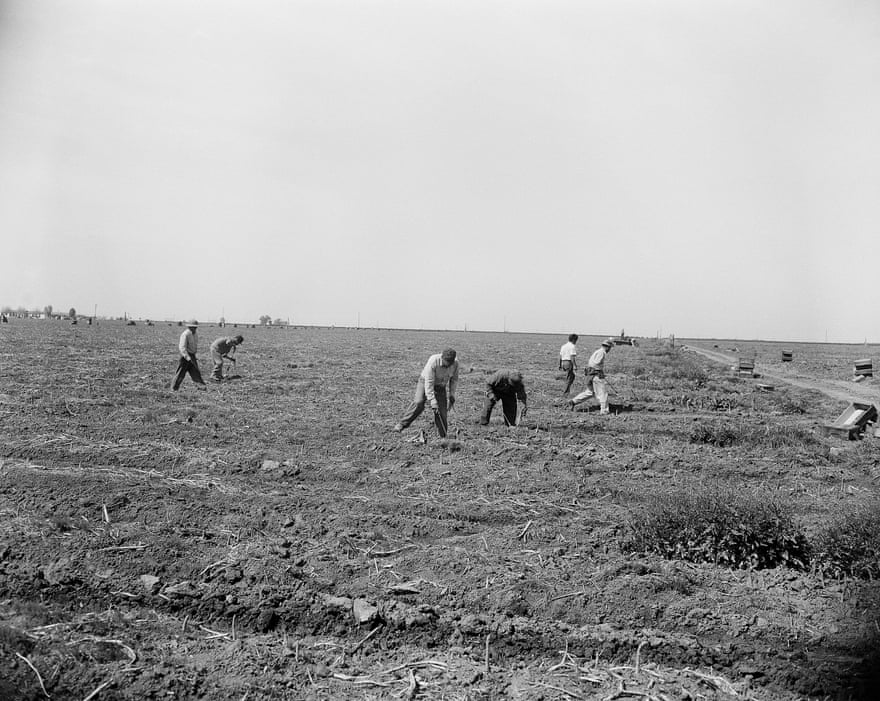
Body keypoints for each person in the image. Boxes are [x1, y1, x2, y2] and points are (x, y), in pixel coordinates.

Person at [394, 348, 459, 437]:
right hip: (425, 382)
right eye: (446, 362)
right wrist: (432, 400)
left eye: (449, 364)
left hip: (441, 386)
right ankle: (402, 424)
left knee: (442, 412)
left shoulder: (455, 363)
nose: (447, 365)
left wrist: (452, 394)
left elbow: (454, 380)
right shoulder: (433, 361)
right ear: (442, 357)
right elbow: (429, 382)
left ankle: (443, 437)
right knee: (418, 402)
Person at [569, 338, 614, 414]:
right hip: (595, 375)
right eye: (610, 348)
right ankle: (604, 411)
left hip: (590, 374)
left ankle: (573, 401)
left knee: (590, 392)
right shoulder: (602, 352)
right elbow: (596, 363)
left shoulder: (597, 351)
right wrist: (600, 372)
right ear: (607, 347)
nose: (609, 350)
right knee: (602, 393)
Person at [172, 320, 207, 390]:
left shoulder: (195, 334)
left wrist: (193, 356)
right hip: (185, 356)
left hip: (192, 355)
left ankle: (201, 387)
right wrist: (187, 357)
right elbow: (182, 347)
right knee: (180, 373)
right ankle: (174, 388)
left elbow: (194, 346)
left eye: (195, 327)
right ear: (189, 327)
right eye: (193, 327)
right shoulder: (185, 334)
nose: (195, 329)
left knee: (195, 372)